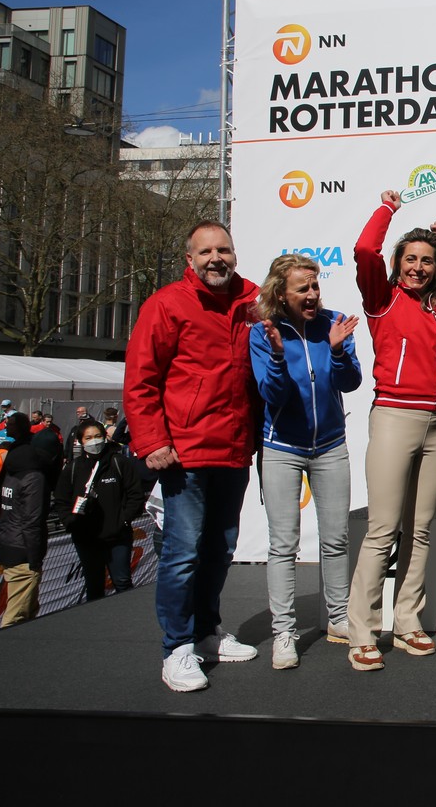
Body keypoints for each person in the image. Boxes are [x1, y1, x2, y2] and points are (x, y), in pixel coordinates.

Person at [346, 192, 436, 672]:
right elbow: (365, 250)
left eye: (427, 260)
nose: (418, 268)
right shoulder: (381, 297)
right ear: (397, 263)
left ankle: (408, 621)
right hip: (394, 417)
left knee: (420, 529)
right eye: (410, 259)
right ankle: (362, 631)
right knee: (382, 530)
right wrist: (387, 210)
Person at [124, 220, 262, 692]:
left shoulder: (254, 301)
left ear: (234, 254)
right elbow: (141, 379)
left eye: (223, 250)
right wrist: (152, 441)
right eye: (205, 252)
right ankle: (177, 648)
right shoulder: (166, 304)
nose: (215, 259)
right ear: (190, 259)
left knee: (220, 549)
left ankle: (206, 631)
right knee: (182, 553)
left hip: (235, 449)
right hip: (184, 452)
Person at [250, 252, 362, 670]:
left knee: (336, 539)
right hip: (281, 447)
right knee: (283, 545)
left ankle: (338, 618)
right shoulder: (263, 331)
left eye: (315, 285)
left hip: (330, 445)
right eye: (303, 288)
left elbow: (351, 381)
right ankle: (284, 632)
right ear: (281, 293)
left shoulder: (334, 322)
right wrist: (279, 356)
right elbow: (271, 394)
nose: (313, 294)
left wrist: (337, 350)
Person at [54, 420, 146, 602]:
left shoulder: (119, 462)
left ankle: (127, 615)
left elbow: (135, 495)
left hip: (117, 536)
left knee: (122, 581)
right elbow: (61, 500)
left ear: (105, 437)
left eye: (97, 436)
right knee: (94, 586)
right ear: (81, 441)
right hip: (86, 538)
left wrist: (124, 520)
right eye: (88, 438)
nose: (94, 441)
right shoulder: (73, 468)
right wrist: (71, 522)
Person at [0, 427, 62, 625]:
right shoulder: (34, 478)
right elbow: (32, 521)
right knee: (15, 617)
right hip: (24, 550)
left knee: (26, 613)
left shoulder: (13, 471)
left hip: (8, 542)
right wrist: (34, 558)